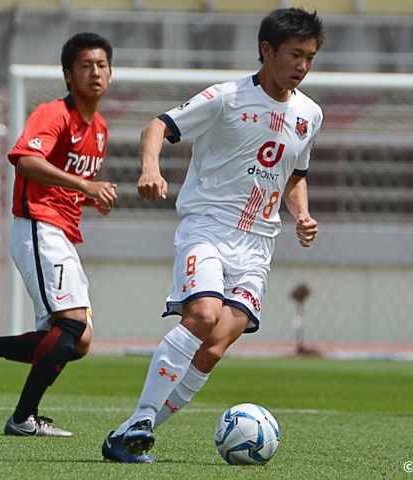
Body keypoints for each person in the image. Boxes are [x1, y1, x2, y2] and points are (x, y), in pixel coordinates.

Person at [102, 7, 325, 463]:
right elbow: (156, 126)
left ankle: (127, 435)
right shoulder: (226, 97)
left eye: (310, 56)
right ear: (267, 51)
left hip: (259, 245)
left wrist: (301, 214)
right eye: (295, 54)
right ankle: (144, 414)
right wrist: (150, 168)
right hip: (208, 228)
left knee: (215, 345)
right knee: (202, 316)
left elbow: (294, 174)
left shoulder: (310, 114)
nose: (303, 65)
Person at [0, 32, 117, 437]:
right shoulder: (54, 112)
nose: (95, 72)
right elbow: (24, 159)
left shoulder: (101, 128)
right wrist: (86, 186)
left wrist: (92, 198)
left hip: (62, 232)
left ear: (111, 73)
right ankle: (23, 418)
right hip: (39, 226)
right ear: (68, 75)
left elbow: (64, 185)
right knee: (72, 326)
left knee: (79, 339)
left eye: (102, 65)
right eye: (86, 65)